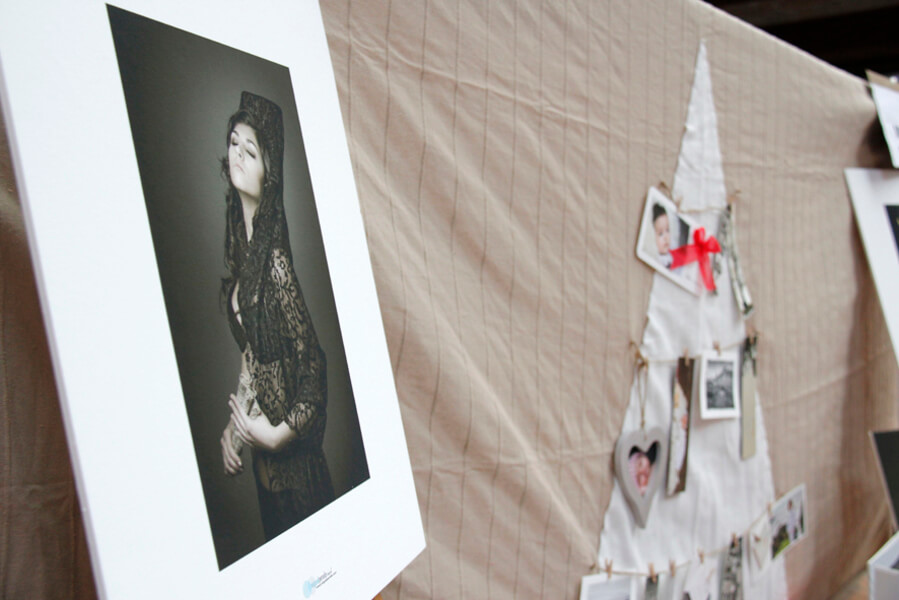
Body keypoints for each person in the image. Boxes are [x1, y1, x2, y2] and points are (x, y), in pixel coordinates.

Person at [218, 91, 335, 540]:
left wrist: (279, 434)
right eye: (233, 143)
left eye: (252, 151)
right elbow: (255, 357)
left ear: (269, 173)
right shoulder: (241, 253)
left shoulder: (276, 263)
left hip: (299, 478)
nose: (238, 156)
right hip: (264, 480)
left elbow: (312, 362)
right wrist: (234, 429)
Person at [652, 203, 673, 268]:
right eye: (660, 234)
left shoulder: (671, 257)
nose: (666, 238)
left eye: (667, 230)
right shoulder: (656, 260)